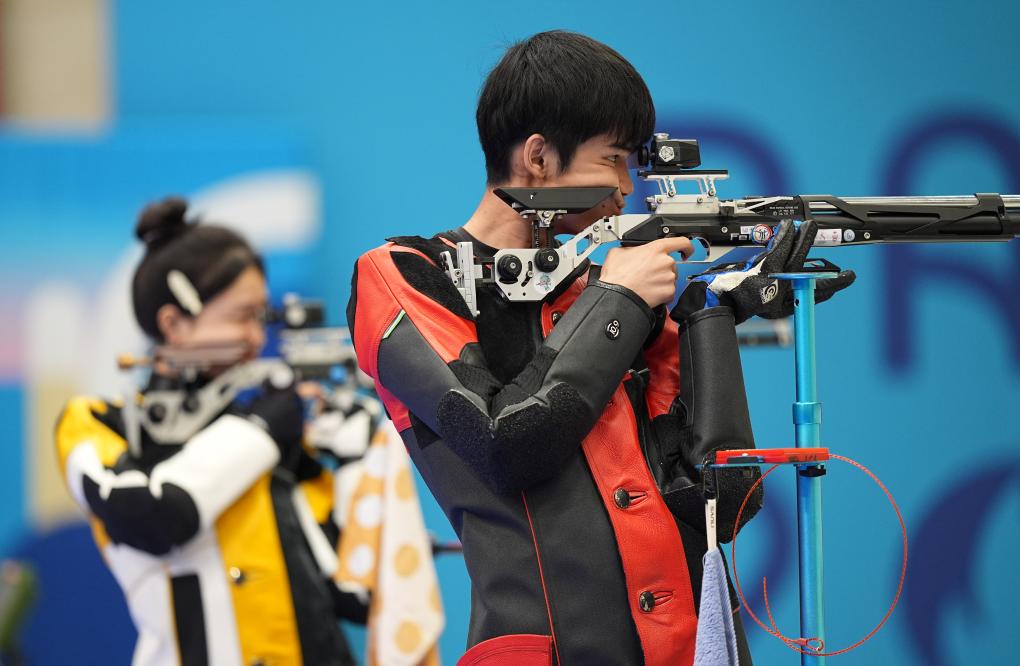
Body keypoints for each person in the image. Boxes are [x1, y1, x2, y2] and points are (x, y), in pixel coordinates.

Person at [347, 30, 854, 666]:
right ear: (538, 156)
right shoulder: (405, 273)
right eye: (612, 159)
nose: (624, 187)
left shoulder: (611, 289)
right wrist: (619, 300)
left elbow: (720, 506)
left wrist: (711, 316)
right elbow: (505, 444)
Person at [55, 197, 367, 666]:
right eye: (243, 316)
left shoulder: (269, 434)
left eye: (261, 318)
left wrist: (355, 463)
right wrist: (260, 431)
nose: (257, 339)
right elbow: (156, 516)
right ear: (174, 323)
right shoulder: (96, 423)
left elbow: (357, 594)